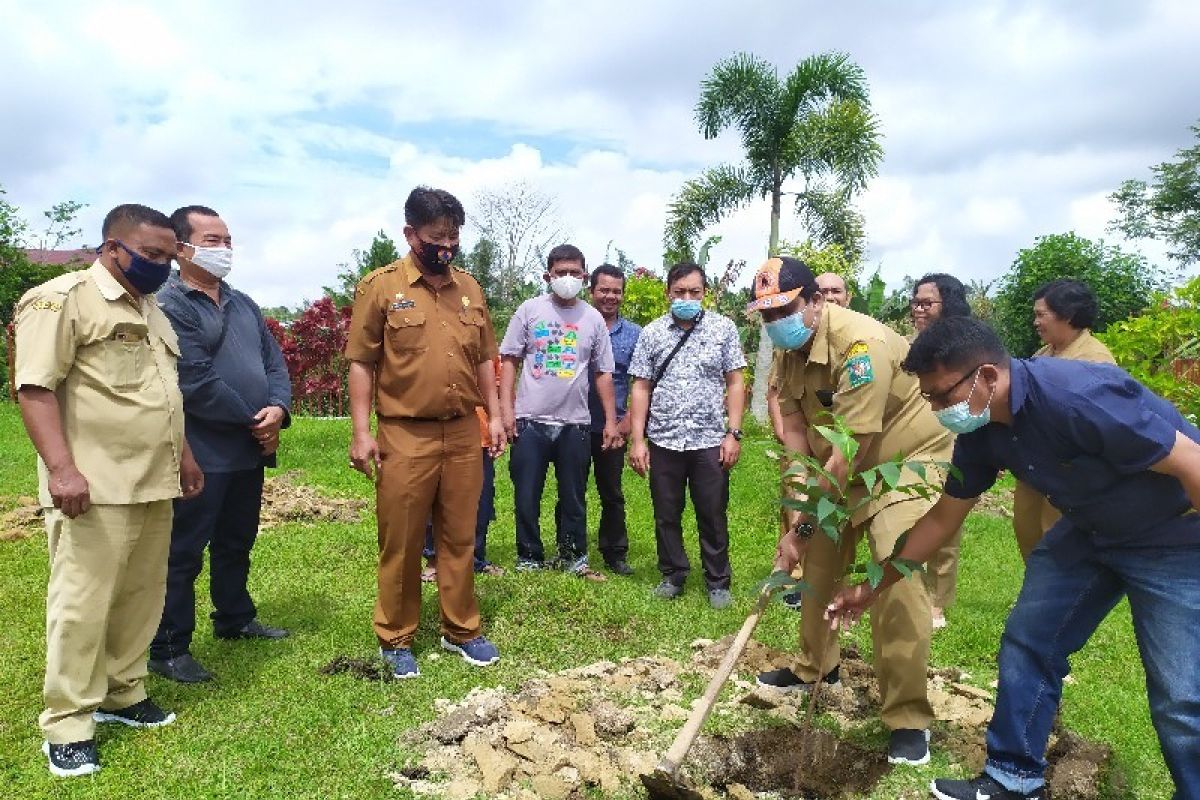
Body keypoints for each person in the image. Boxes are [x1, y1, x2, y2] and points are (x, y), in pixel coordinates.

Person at [827, 316, 1200, 800]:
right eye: (930, 399)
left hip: (1172, 537)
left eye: (942, 396)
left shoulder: (1078, 398)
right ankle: (1013, 779)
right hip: (1088, 531)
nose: (938, 410)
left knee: (1181, 695)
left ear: (985, 376)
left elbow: (1192, 463)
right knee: (1029, 643)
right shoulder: (982, 430)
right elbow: (942, 519)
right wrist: (871, 587)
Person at [14, 204, 205, 777]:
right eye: (151, 255)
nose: (161, 266)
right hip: (92, 487)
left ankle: (124, 692)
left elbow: (164, 393)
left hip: (152, 479)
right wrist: (61, 470)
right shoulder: (62, 299)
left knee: (140, 597)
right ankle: (68, 721)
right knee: (82, 604)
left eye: (169, 257)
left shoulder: (152, 309)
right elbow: (34, 389)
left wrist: (186, 458)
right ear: (112, 247)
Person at [747, 256, 951, 766]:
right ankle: (816, 668)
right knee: (818, 559)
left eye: (785, 310)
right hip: (840, 461)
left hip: (904, 459)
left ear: (815, 301)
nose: (776, 323)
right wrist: (799, 520)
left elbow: (849, 452)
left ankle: (906, 717)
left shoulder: (863, 346)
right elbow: (795, 436)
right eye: (766, 315)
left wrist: (805, 525)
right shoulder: (789, 349)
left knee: (894, 563)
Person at [345, 186, 505, 679]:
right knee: (404, 538)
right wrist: (360, 431)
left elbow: (484, 359)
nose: (446, 246)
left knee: (460, 535)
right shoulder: (380, 286)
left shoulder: (470, 288)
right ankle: (395, 636)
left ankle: (461, 629)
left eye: (453, 236)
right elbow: (361, 362)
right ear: (410, 234)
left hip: (461, 433)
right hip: (404, 433)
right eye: (437, 237)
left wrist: (495, 416)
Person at [147, 205, 292, 684]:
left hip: (248, 451)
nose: (224, 249)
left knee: (237, 540)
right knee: (183, 551)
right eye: (212, 240)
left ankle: (234, 617)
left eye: (227, 239)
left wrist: (279, 409)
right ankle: (169, 646)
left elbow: (275, 363)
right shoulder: (170, 305)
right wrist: (255, 419)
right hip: (200, 452)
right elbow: (195, 380)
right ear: (180, 247)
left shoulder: (243, 303)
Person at [627, 262, 747, 609]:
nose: (686, 298)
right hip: (664, 438)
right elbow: (641, 387)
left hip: (709, 438)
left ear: (704, 293)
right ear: (668, 293)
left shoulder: (723, 330)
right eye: (679, 292)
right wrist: (638, 439)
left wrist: (733, 433)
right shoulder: (652, 333)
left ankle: (718, 580)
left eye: (694, 292)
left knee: (712, 512)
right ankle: (673, 573)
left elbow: (736, 381)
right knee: (666, 511)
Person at [499, 245, 621, 579]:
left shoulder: (593, 319)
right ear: (547, 276)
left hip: (575, 424)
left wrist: (610, 421)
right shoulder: (529, 311)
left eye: (574, 272)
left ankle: (573, 557)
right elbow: (509, 360)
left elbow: (602, 373)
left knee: (573, 497)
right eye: (560, 272)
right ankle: (529, 556)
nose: (568, 278)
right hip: (530, 422)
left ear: (585, 275)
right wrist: (506, 411)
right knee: (527, 495)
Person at [1012, 279, 1116, 560]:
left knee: (1056, 540)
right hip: (1035, 465)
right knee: (1027, 530)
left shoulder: (1095, 360)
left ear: (1067, 315)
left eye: (1040, 315)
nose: (1035, 322)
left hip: (1070, 471)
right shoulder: (1044, 353)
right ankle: (1034, 596)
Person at [909, 273, 972, 630]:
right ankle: (902, 589)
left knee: (946, 525)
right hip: (907, 444)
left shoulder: (964, 347)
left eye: (927, 303)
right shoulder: (905, 345)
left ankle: (936, 601)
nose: (918, 309)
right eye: (915, 302)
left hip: (951, 443)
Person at [422, 356, 504, 581]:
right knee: (435, 499)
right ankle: (433, 559)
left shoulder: (488, 351)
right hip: (439, 434)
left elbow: (496, 390)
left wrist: (500, 421)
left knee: (481, 501)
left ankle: (475, 559)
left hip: (480, 436)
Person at [586, 263, 642, 575]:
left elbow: (643, 385)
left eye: (616, 291)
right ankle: (571, 547)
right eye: (604, 290)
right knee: (571, 489)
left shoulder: (635, 335)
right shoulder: (576, 325)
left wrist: (626, 425)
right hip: (576, 425)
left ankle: (615, 552)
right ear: (592, 291)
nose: (610, 296)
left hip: (614, 429)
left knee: (612, 492)